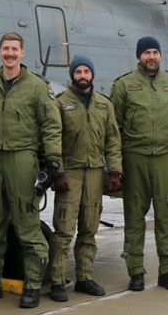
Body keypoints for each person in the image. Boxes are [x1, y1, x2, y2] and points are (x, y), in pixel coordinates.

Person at [0, 32, 62, 309]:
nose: (9, 53)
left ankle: (32, 284)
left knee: (27, 224)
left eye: (14, 49)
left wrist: (52, 160)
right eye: (5, 49)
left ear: (22, 53)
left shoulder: (36, 86)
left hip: (22, 158)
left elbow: (51, 125)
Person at [110, 36, 168, 292]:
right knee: (134, 218)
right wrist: (116, 165)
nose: (151, 57)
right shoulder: (124, 85)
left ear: (160, 56)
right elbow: (113, 129)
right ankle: (136, 271)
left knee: (166, 217)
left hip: (164, 159)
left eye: (155, 52)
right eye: (146, 52)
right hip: (134, 158)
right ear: (139, 56)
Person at [48, 55, 123, 302]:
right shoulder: (61, 103)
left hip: (94, 172)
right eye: (78, 71)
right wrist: (57, 171)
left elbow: (113, 140)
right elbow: (53, 137)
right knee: (64, 229)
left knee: (89, 228)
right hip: (70, 172)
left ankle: (85, 278)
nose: (82, 76)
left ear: (92, 74)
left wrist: (114, 171)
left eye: (86, 71)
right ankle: (58, 280)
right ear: (72, 75)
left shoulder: (104, 104)